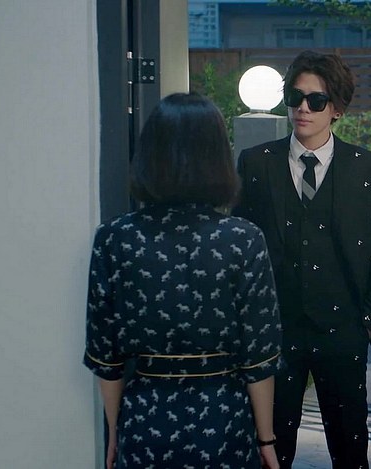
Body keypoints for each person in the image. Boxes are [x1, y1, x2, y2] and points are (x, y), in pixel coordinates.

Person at [83, 92, 283, 469]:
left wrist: (115, 433)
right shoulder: (243, 239)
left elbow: (105, 358)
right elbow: (260, 357)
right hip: (223, 422)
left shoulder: (114, 239)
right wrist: (266, 438)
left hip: (144, 422)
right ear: (217, 158)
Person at [232, 50, 371, 468]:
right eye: (295, 97)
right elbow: (242, 247)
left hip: (344, 330)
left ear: (337, 109)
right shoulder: (256, 163)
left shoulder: (369, 168)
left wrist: (368, 322)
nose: (303, 108)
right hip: (277, 330)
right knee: (270, 449)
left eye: (316, 100)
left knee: (350, 449)